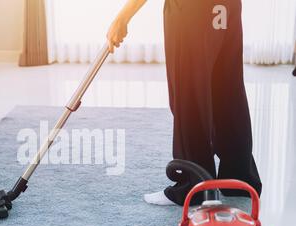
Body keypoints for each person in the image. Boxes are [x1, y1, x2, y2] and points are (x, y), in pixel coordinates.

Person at [107, 0, 262, 206]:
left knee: (189, 93)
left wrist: (123, 17)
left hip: (191, 10)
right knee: (227, 89)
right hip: (228, 7)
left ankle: (193, 185)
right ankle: (239, 179)